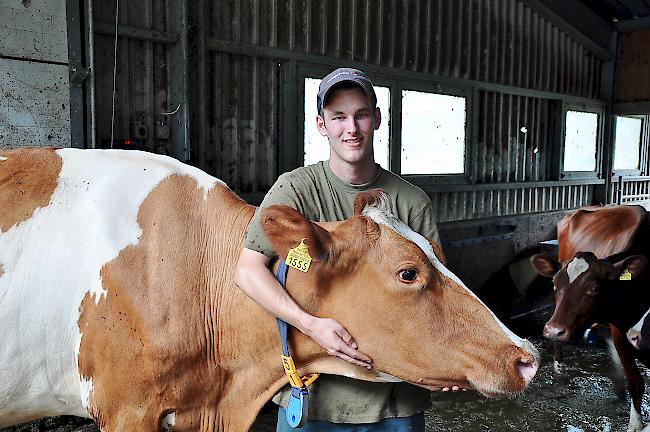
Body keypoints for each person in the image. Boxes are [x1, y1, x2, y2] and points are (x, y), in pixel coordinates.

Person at [234, 68, 440, 431]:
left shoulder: (411, 202)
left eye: (361, 114)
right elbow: (248, 272)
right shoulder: (296, 191)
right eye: (338, 117)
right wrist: (311, 326)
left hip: (394, 404)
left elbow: (435, 298)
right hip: (313, 397)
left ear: (377, 118)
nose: (352, 128)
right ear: (321, 124)